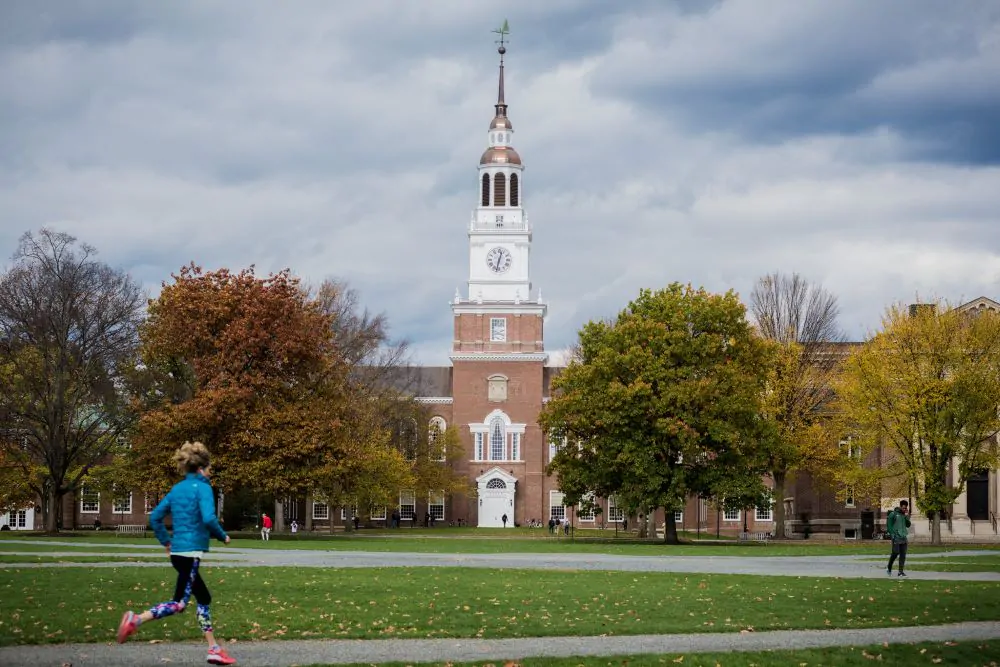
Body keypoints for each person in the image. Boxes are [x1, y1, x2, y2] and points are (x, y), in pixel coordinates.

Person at [115, 441, 236, 665]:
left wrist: (167, 543)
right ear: (201, 469)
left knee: (204, 597)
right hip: (190, 554)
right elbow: (209, 518)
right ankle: (136, 619)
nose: (210, 473)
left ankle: (214, 648)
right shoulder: (203, 488)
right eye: (210, 469)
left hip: (179, 553)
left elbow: (155, 517)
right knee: (179, 603)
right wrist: (223, 536)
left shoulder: (177, 489)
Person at [886, 499, 912, 577]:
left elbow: (908, 525)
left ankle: (900, 572)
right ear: (900, 506)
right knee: (895, 553)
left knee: (903, 555)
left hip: (903, 537)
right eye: (903, 508)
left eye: (906, 508)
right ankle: (889, 567)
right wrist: (892, 535)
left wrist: (907, 517)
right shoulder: (893, 514)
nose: (905, 509)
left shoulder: (904, 515)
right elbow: (889, 525)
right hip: (896, 536)